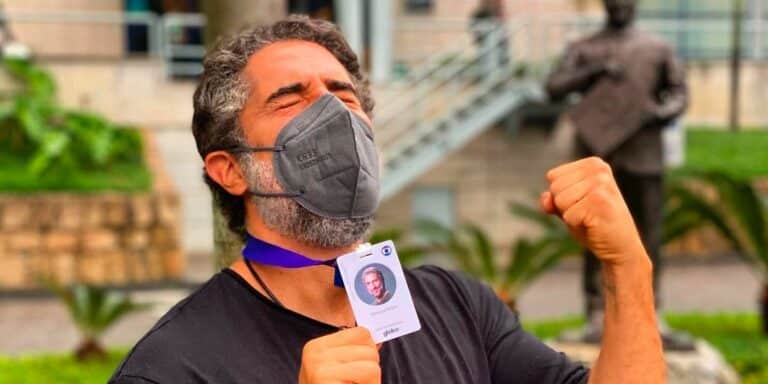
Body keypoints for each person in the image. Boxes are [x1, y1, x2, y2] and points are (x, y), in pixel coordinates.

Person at [110, 15, 664, 384]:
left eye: (344, 95)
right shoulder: (173, 366)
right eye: (291, 99)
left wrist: (628, 269)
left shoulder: (457, 307)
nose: (335, 116)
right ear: (230, 170)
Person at [545, 0, 689, 349]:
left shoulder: (657, 48)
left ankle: (651, 309)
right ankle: (596, 310)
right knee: (593, 234)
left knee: (648, 234)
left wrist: (658, 113)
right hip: (597, 158)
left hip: (644, 156)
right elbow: (554, 86)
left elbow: (679, 94)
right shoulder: (584, 48)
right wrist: (595, 70)